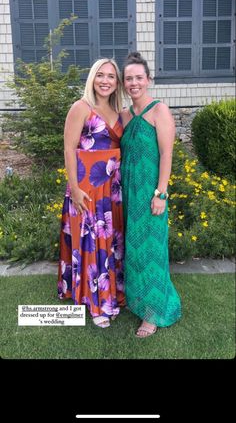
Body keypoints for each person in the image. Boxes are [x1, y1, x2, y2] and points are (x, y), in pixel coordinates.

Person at [58, 58, 125, 328]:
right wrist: (74, 189)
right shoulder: (81, 107)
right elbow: (69, 149)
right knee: (92, 243)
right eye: (100, 75)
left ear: (117, 82)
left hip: (113, 188)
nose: (105, 80)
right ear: (92, 79)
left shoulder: (121, 112)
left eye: (111, 76)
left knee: (111, 243)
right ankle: (96, 303)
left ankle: (112, 295)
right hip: (86, 186)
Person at [120, 52, 181, 338]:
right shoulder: (123, 115)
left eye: (138, 77)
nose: (134, 83)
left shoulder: (160, 111)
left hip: (151, 195)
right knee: (133, 251)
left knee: (152, 252)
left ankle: (153, 313)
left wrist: (161, 194)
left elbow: (167, 154)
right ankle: (137, 301)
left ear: (148, 80)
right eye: (129, 78)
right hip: (128, 194)